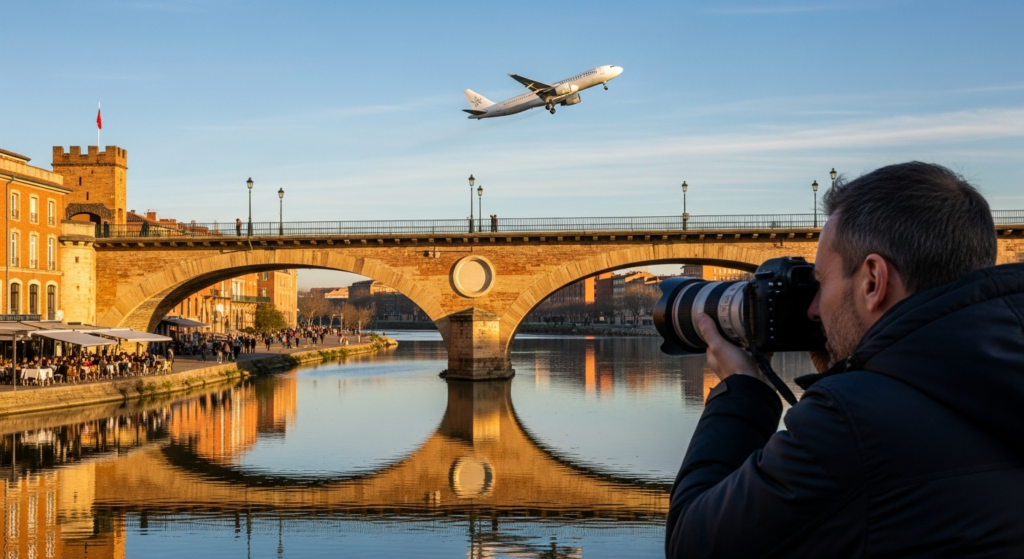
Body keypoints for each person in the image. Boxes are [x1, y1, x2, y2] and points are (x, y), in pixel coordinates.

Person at [666, 162, 1024, 557]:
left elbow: (693, 544)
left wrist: (743, 392)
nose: (813, 309)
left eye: (820, 282)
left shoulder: (853, 423)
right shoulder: (994, 378)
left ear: (873, 281)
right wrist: (855, 368)